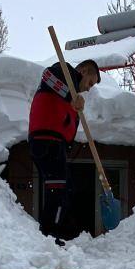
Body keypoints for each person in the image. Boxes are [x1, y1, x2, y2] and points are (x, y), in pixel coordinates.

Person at [27, 59, 101, 243]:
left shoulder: (71, 94)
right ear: (83, 71)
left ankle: (53, 231)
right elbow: (48, 77)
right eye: (90, 82)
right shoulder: (62, 71)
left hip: (54, 143)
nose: (89, 88)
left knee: (64, 189)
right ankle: (49, 235)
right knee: (58, 189)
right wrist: (71, 96)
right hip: (46, 140)